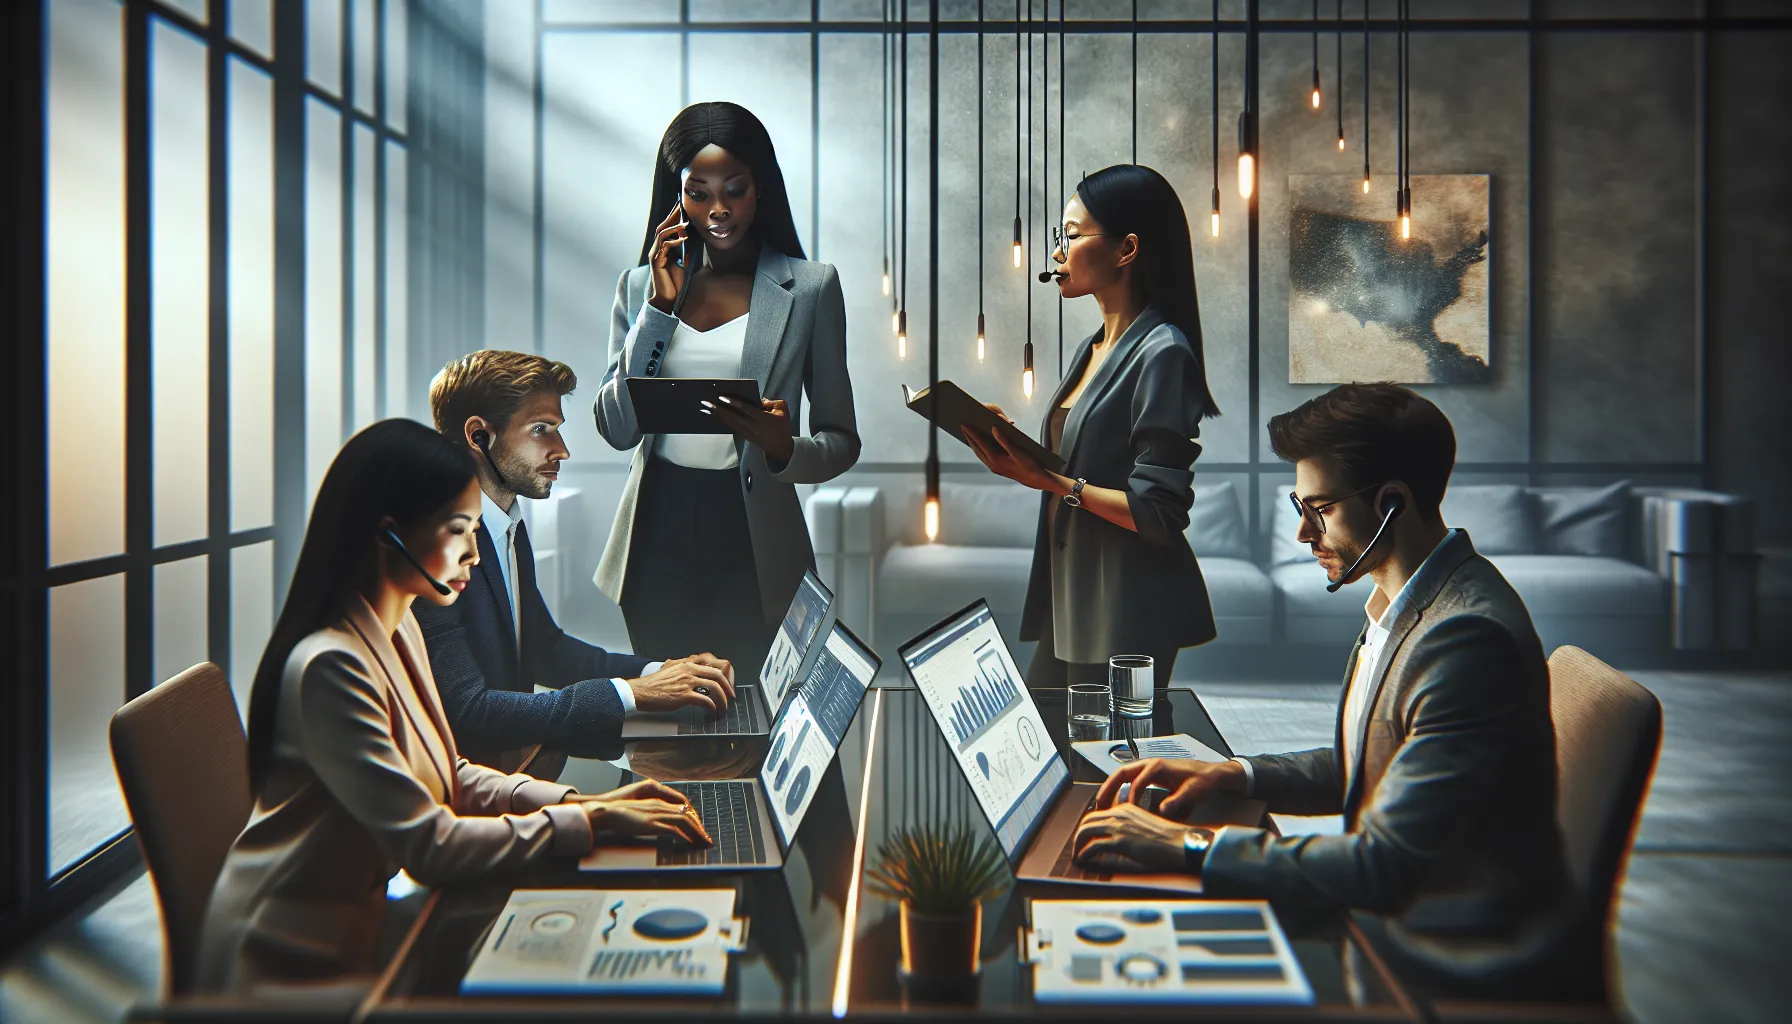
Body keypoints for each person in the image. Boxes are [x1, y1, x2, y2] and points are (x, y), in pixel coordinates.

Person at [1070, 384, 1582, 999]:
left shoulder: (1466, 641)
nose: (1303, 534)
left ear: (1392, 502)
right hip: (1402, 914)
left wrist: (1190, 844)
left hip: (1439, 953)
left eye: (1322, 509)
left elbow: (1383, 868)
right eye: (1300, 506)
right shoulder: (1410, 601)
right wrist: (1237, 775)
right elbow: (1373, 766)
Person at [197, 419, 710, 995]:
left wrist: (582, 803)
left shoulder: (400, 629)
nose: (474, 552)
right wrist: (587, 821)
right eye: (458, 529)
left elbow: (451, 773)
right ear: (389, 535)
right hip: (287, 963)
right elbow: (429, 845)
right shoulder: (329, 666)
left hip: (364, 930)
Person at [594, 101, 859, 676]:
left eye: (735, 189)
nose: (718, 209)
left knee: (761, 716)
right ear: (676, 196)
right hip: (656, 533)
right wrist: (659, 310)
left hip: (755, 539)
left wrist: (782, 445)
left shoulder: (811, 287)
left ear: (760, 188)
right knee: (668, 716)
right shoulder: (640, 286)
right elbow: (616, 428)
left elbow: (841, 440)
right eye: (698, 192)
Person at [414, 350, 736, 779]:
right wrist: (632, 693)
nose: (561, 450)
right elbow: (470, 713)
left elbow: (545, 649)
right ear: (479, 437)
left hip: (520, 768)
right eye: (541, 430)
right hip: (470, 794)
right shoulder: (434, 549)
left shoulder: (506, 523)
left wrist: (663, 673)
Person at [963, 164, 1219, 691]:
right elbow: (1086, 461)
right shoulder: (1093, 348)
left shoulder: (1164, 353)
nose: (1057, 252)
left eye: (1072, 236)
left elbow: (1158, 513)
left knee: (1098, 764)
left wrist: (1050, 481)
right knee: (1049, 753)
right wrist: (1016, 449)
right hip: (1075, 596)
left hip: (1130, 606)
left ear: (1127, 249)